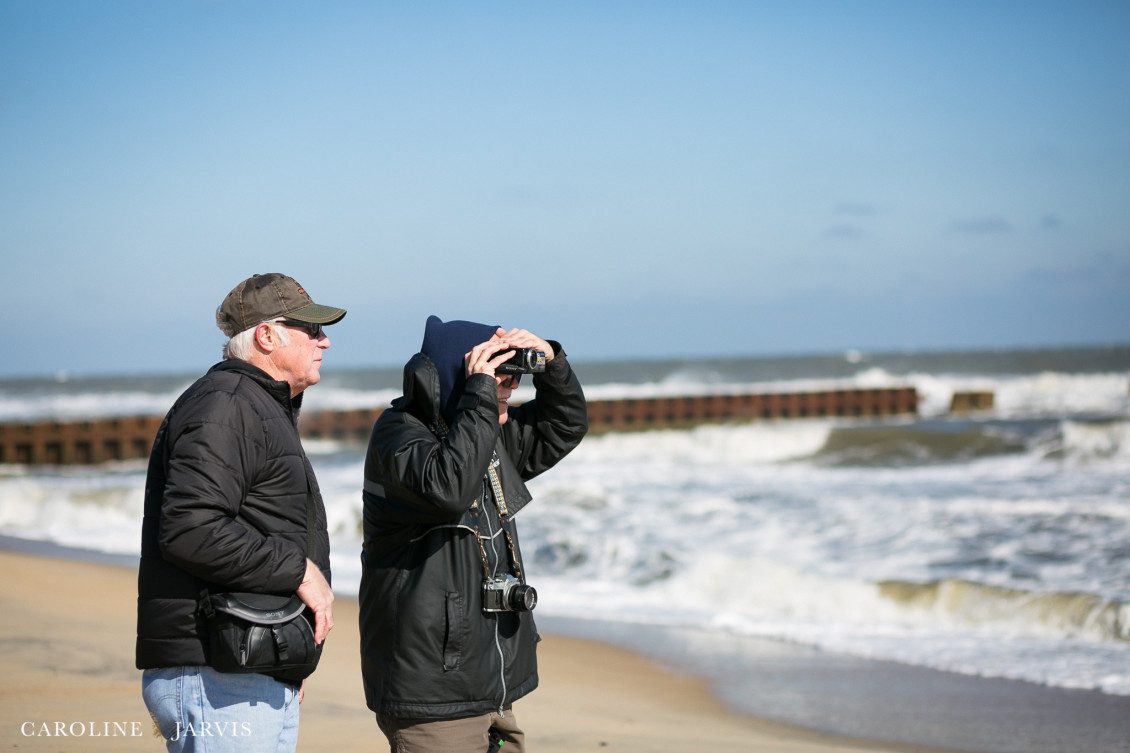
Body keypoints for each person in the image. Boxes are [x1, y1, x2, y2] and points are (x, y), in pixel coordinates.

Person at [136, 273, 346, 753]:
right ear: (267, 336)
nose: (325, 341)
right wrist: (300, 572)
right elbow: (191, 528)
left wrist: (287, 656)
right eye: (311, 330)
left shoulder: (253, 405)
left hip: (241, 666)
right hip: (218, 671)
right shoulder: (228, 404)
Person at [359, 315, 588, 752]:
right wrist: (481, 394)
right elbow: (447, 489)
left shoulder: (485, 431)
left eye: (514, 376)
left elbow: (563, 426)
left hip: (489, 681)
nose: (511, 386)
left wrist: (553, 361)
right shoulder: (398, 436)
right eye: (501, 375)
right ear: (457, 377)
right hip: (433, 691)